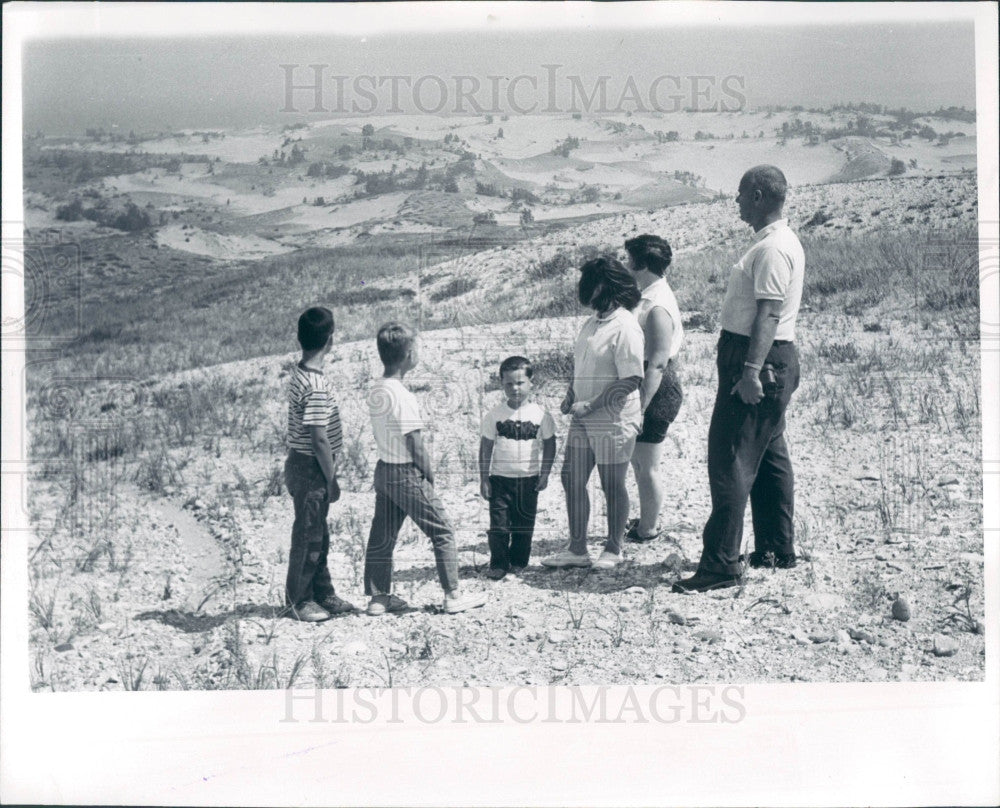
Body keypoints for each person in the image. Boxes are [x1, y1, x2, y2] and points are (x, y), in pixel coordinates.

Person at [674, 165, 804, 593]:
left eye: (741, 194)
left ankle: (720, 565)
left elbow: (768, 313)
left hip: (757, 359)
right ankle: (774, 548)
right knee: (768, 453)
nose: (736, 202)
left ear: (760, 197)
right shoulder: (777, 242)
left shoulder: (771, 249)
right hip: (768, 357)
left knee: (730, 456)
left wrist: (750, 371)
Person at [363, 322, 487, 615]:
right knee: (442, 530)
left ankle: (378, 597)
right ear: (408, 355)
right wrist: (428, 473)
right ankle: (453, 594)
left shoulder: (377, 390)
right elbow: (414, 442)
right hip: (405, 471)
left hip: (384, 469)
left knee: (383, 534)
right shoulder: (403, 396)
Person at [541, 256, 645, 571]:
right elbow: (584, 365)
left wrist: (593, 403)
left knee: (611, 483)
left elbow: (631, 379)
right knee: (571, 477)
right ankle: (576, 548)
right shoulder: (592, 321)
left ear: (607, 286)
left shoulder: (625, 326)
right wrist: (572, 395)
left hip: (613, 418)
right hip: (583, 417)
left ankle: (614, 547)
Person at [284, 306, 358, 622]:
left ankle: (321, 592)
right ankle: (299, 600)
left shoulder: (300, 373)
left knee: (318, 532)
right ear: (330, 341)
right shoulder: (316, 386)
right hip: (312, 467)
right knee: (308, 534)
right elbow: (319, 439)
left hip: (300, 464)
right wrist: (331, 478)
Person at [623, 234, 685, 543]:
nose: (626, 265)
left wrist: (640, 406)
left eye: (630, 260)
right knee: (641, 462)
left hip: (655, 387)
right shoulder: (651, 294)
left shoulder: (657, 304)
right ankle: (647, 521)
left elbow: (658, 363)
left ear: (641, 263)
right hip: (649, 384)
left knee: (647, 466)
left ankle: (648, 528)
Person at [479, 356, 557, 579]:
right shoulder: (494, 416)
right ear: (501, 384)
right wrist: (484, 478)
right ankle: (498, 563)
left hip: (528, 480)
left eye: (520, 383)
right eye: (509, 384)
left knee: (524, 525)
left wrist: (545, 474)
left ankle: (519, 561)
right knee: (499, 526)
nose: (515, 388)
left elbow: (550, 444)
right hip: (500, 480)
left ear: (531, 382)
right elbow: (485, 447)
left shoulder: (541, 415)